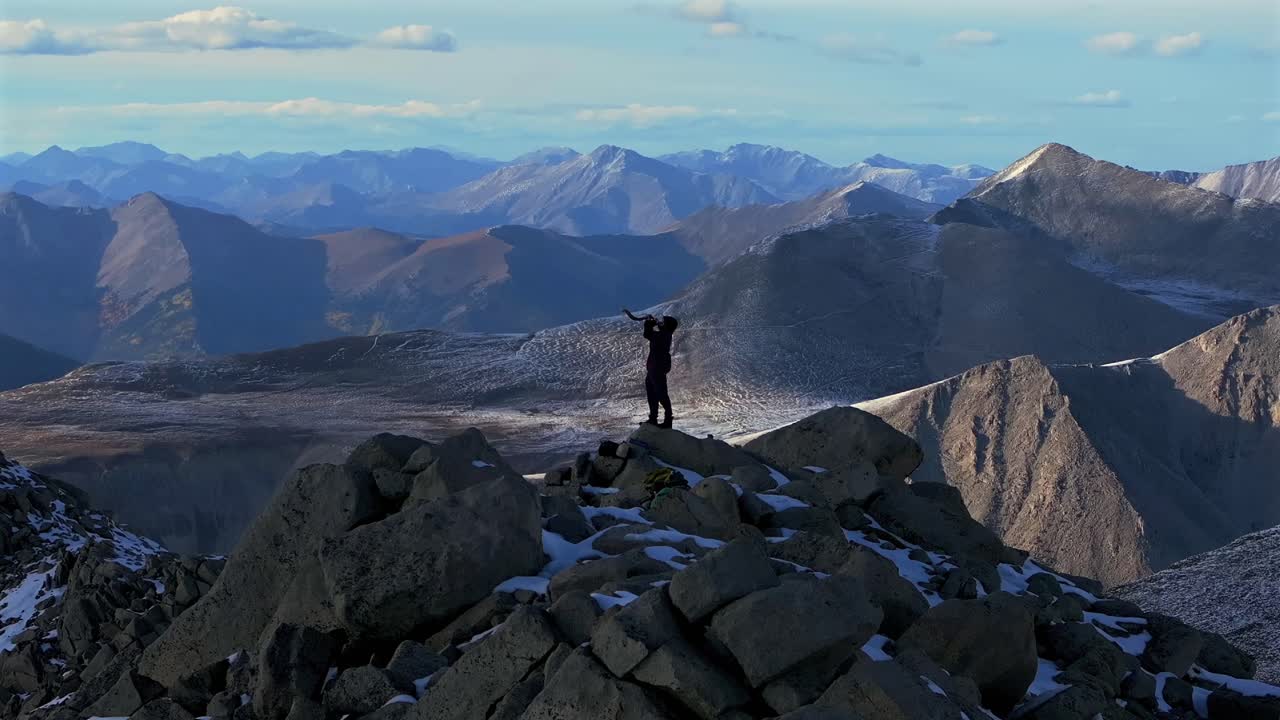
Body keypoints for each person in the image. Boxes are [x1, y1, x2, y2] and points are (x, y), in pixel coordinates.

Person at [624, 308, 679, 428]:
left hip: (657, 368)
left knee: (661, 394)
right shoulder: (664, 334)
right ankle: (654, 419)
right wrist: (651, 324)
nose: (661, 323)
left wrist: (649, 324)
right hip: (654, 368)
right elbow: (649, 334)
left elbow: (648, 334)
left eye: (663, 323)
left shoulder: (664, 335)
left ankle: (667, 420)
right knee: (652, 394)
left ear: (667, 326)